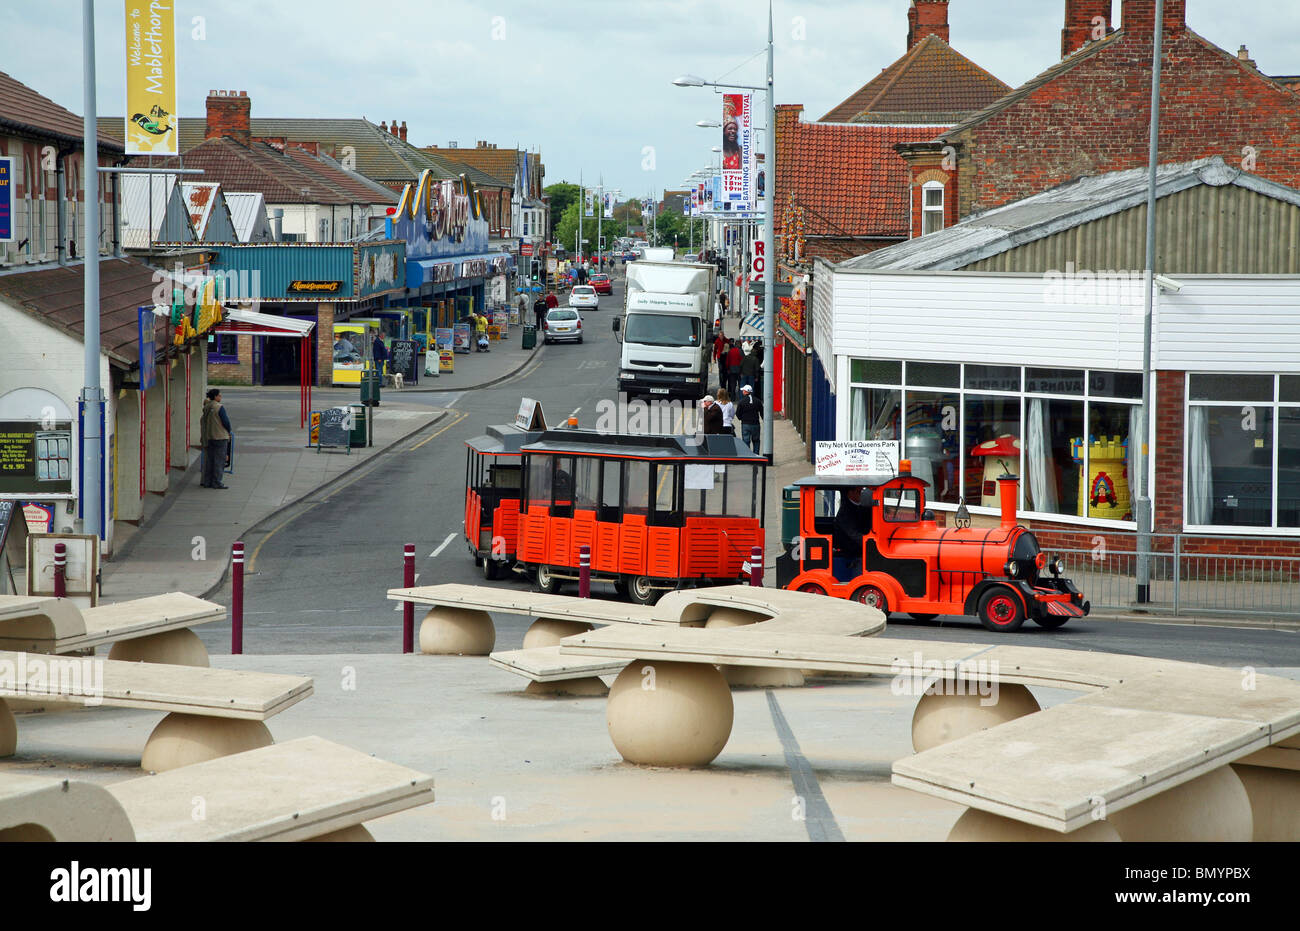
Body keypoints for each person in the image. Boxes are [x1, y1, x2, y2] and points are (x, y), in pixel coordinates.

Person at [832, 486, 872, 580]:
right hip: (848, 550)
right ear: (851, 493)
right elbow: (853, 534)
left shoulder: (864, 507)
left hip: (860, 547)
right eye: (859, 492)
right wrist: (870, 544)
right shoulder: (844, 512)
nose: (861, 495)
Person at [200, 388, 231, 489]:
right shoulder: (219, 407)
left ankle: (207, 481)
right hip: (220, 436)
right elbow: (226, 422)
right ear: (216, 396)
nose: (221, 397)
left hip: (209, 436)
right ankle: (217, 482)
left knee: (210, 460)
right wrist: (229, 431)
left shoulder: (207, 407)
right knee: (219, 460)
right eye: (220, 395)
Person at [736, 385, 762, 454]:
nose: (742, 392)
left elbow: (738, 413)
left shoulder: (741, 402)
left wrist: (741, 418)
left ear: (745, 392)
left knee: (746, 441)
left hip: (745, 424)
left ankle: (747, 456)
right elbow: (762, 412)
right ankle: (756, 456)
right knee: (756, 441)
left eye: (743, 391)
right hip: (755, 423)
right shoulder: (758, 401)